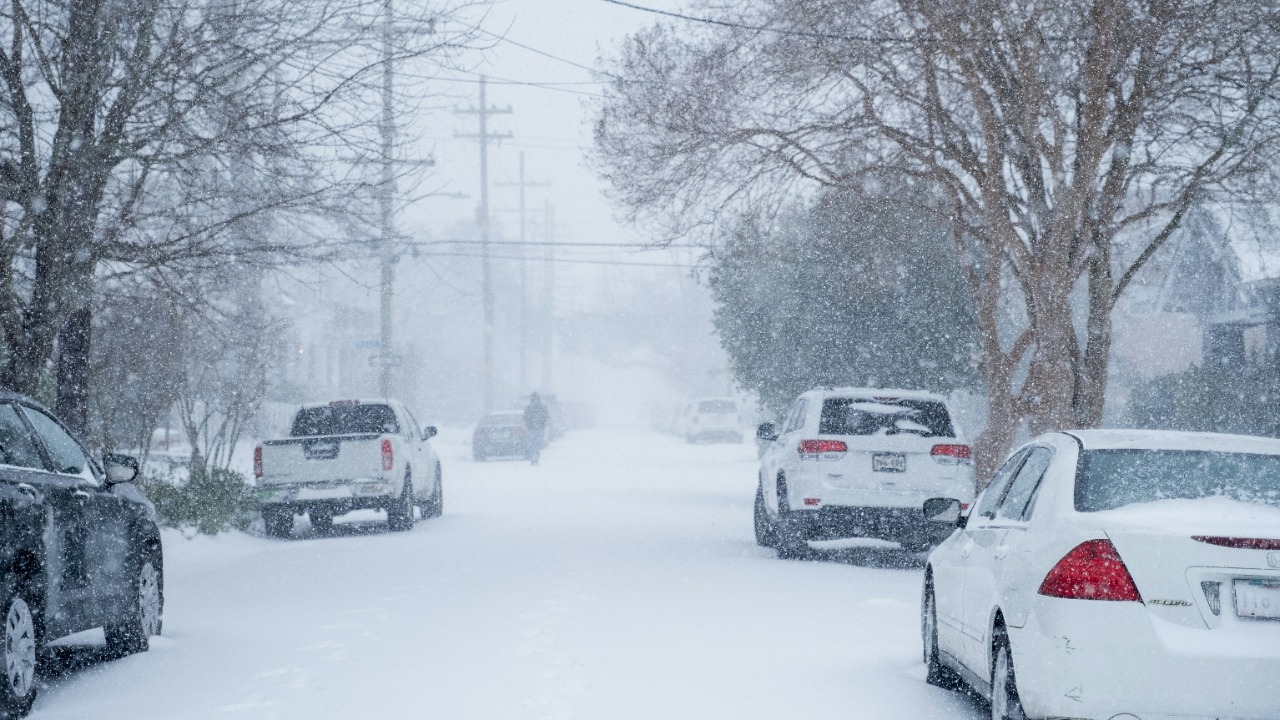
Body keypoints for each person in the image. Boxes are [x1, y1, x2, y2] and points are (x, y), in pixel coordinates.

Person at [523, 393, 550, 464]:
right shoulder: (540, 408)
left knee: (534, 443)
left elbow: (525, 418)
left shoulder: (530, 408)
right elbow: (546, 417)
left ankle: (534, 456)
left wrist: (529, 424)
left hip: (535, 428)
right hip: (535, 428)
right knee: (536, 443)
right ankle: (534, 456)